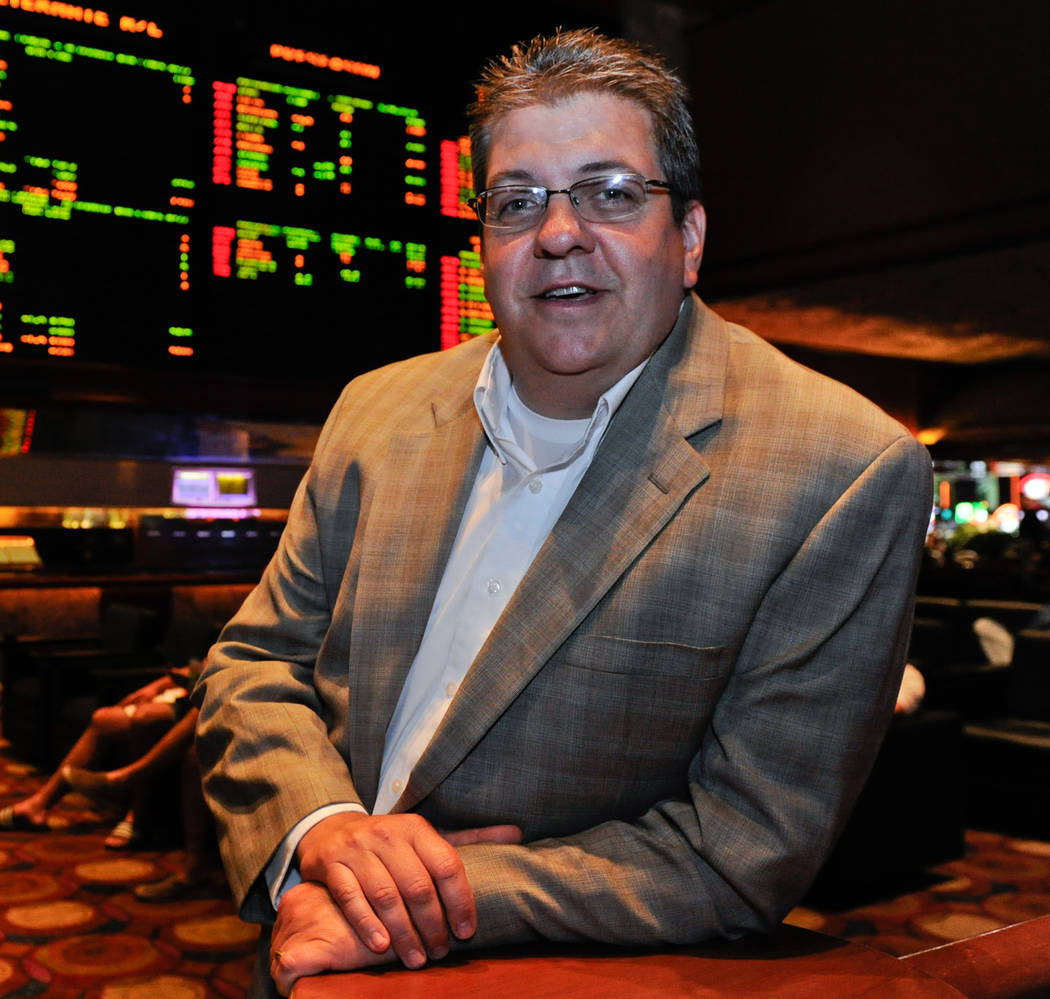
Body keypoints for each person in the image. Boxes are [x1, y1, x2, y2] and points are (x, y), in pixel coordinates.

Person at [193, 28, 934, 998]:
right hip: (308, 941)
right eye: (517, 201)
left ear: (692, 238)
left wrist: (442, 887)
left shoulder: (842, 471)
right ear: (487, 240)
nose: (558, 233)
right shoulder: (371, 409)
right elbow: (255, 665)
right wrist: (322, 833)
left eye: (611, 192)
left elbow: (739, 853)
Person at [0, 666, 198, 848]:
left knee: (144, 719)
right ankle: (39, 804)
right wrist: (155, 687)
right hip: (185, 698)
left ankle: (136, 817)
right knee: (102, 719)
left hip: (199, 707)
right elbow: (196, 668)